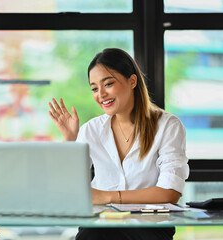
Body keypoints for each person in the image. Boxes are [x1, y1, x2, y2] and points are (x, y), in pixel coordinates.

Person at [48, 48, 189, 240]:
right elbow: (68, 189)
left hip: (150, 226)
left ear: (132, 81)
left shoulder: (167, 126)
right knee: (92, 235)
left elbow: (169, 192)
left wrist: (107, 196)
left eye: (108, 84)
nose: (101, 94)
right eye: (94, 88)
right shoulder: (91, 130)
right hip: (100, 224)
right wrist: (69, 139)